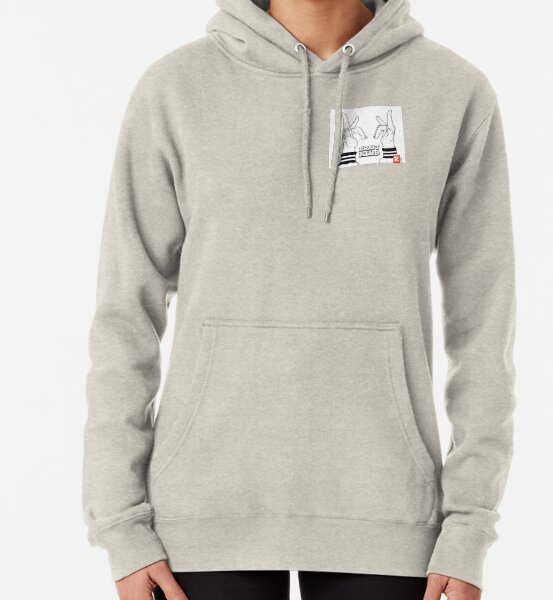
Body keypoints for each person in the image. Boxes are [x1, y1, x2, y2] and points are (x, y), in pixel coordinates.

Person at [82, 0, 516, 598]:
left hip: (386, 510)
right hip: (202, 510)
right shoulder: (176, 89)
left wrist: (470, 523)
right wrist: (120, 522)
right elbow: (124, 313)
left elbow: (486, 322)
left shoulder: (452, 91)